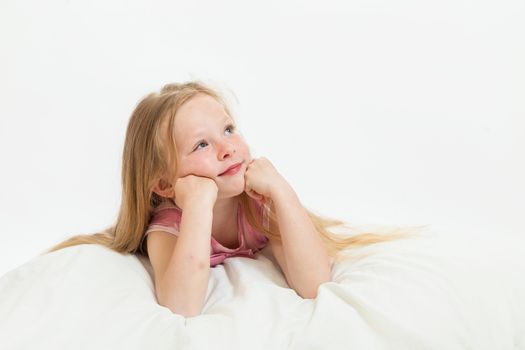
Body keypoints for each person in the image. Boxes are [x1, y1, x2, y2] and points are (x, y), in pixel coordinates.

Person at [45, 80, 428, 317]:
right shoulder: (169, 227)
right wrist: (196, 205)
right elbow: (181, 306)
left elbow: (314, 284)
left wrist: (282, 191)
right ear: (163, 184)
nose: (228, 148)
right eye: (201, 144)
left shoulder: (257, 202)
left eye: (229, 129)